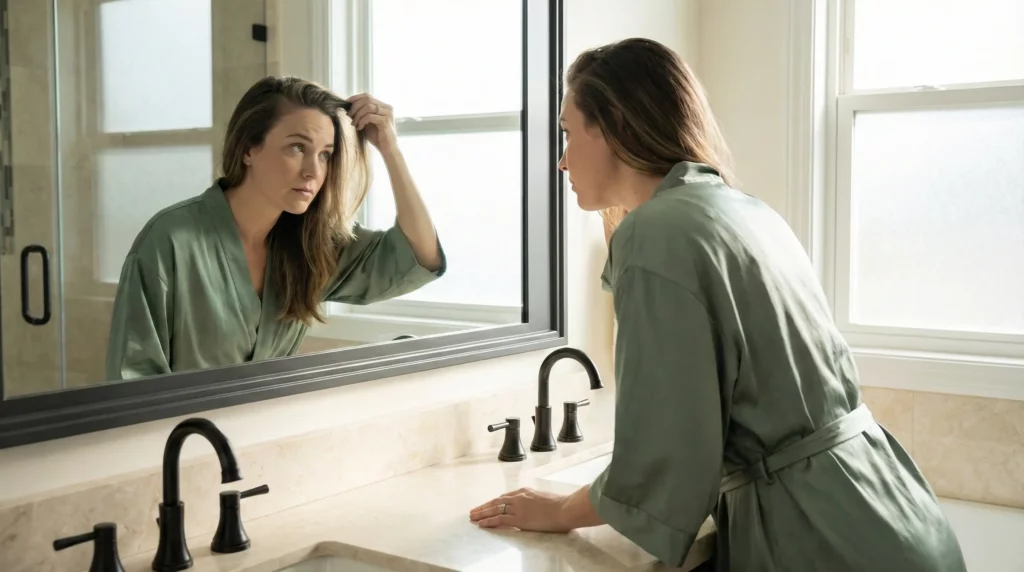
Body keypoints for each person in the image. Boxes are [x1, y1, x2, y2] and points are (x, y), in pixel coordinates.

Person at [469, 38, 966, 571]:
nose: (562, 161)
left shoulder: (656, 234)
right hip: (890, 509)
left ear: (612, 122)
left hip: (824, 537)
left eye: (567, 133)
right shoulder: (738, 207)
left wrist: (562, 509)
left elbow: (666, 456)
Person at [105, 76, 445, 380]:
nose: (313, 171)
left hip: (266, 441)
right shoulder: (171, 241)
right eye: (298, 148)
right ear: (250, 148)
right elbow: (132, 379)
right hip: (183, 444)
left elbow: (418, 255)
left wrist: (390, 149)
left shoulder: (312, 245)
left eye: (325, 154)